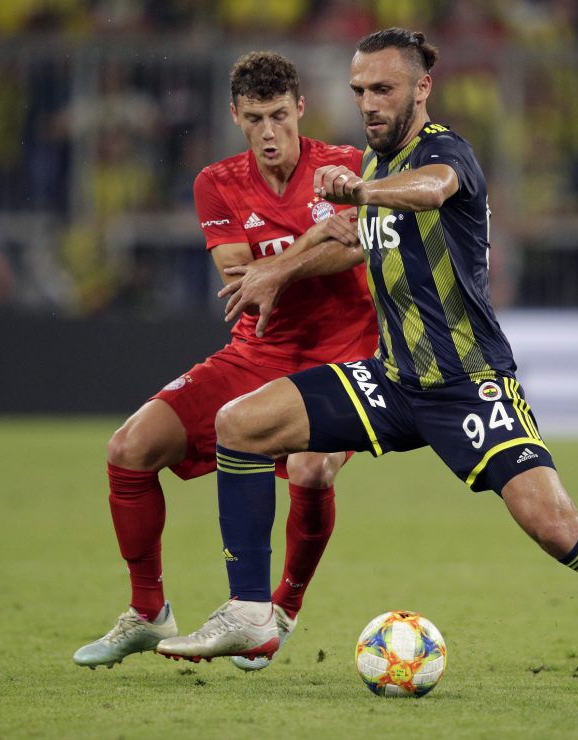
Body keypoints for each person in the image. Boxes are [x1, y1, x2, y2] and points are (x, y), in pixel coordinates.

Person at [155, 28, 578, 697]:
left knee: (554, 525)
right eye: (360, 90)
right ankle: (251, 613)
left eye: (384, 89)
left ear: (421, 88)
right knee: (239, 424)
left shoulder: (443, 151)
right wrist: (279, 269)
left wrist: (359, 196)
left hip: (468, 386)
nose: (369, 102)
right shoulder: (369, 168)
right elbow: (337, 234)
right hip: (394, 380)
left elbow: (430, 190)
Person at [72, 51, 378, 670]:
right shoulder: (216, 182)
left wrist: (289, 259)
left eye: (279, 117)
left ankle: (279, 609)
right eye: (255, 119)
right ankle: (147, 612)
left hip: (345, 354)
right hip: (257, 351)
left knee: (312, 470)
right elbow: (242, 281)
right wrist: (317, 240)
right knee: (128, 449)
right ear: (234, 116)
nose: (269, 133)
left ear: (300, 109)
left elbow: (358, 248)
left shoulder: (347, 166)